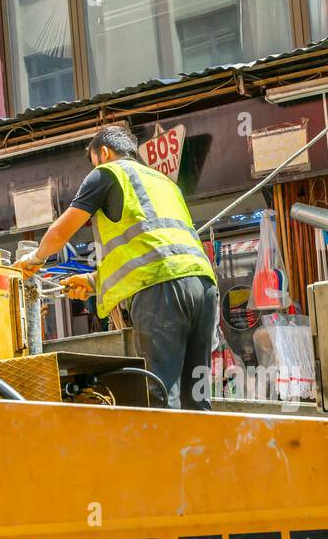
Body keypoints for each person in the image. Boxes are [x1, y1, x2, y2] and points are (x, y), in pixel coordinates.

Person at [24, 125, 219, 410]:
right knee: (197, 397)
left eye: (94, 161)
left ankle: (165, 455)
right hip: (203, 285)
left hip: (160, 289)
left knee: (162, 394)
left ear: (104, 152)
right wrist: (92, 282)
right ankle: (202, 454)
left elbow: (60, 232)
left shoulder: (108, 172)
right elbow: (150, 245)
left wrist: (35, 260)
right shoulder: (165, 183)